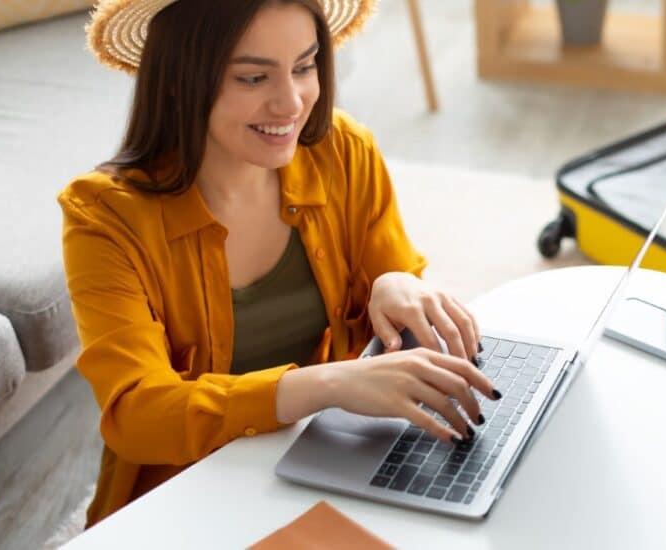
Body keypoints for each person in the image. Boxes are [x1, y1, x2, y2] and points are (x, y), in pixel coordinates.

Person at [60, 0, 496, 527]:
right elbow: (137, 412)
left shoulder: (344, 153)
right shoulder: (104, 218)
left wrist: (396, 283)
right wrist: (328, 385)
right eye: (252, 77)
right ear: (178, 78)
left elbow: (398, 318)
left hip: (327, 470)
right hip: (183, 502)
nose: (291, 103)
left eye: (305, 66)